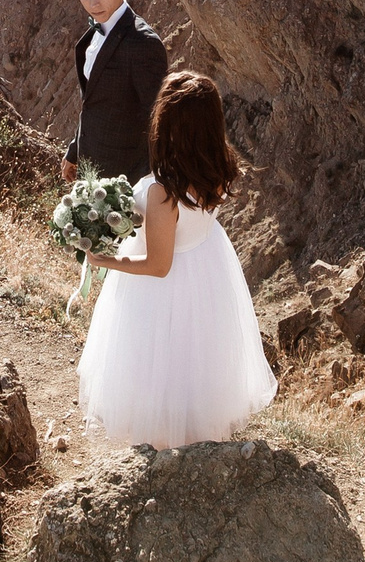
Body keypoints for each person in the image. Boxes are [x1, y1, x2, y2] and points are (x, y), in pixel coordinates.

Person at [75, 71, 277, 449]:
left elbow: (158, 265)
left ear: (168, 125)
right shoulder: (213, 173)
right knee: (193, 372)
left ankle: (166, 456)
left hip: (163, 293)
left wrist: (106, 260)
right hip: (204, 276)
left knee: (160, 375)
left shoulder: (162, 191)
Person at [62, 0, 167, 185]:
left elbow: (158, 120)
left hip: (125, 182)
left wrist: (142, 188)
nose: (93, 2)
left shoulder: (143, 43)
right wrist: (75, 150)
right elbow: (94, 104)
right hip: (90, 172)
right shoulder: (93, 35)